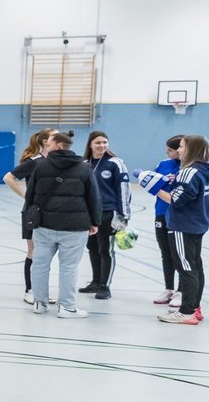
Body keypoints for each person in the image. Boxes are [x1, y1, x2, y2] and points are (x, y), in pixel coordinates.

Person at [25, 132, 101, 318]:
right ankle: (66, 307)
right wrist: (95, 221)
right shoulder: (84, 168)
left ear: (58, 145)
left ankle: (40, 303)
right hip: (74, 227)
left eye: (49, 143)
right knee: (69, 268)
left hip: (44, 225)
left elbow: (30, 195)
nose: (46, 146)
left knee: (40, 265)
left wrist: (30, 220)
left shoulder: (40, 166)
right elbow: (93, 196)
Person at [139, 135, 208, 325]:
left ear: (191, 149)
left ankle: (186, 311)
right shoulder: (204, 170)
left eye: (182, 147)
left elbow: (175, 199)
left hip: (182, 225)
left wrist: (151, 186)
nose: (178, 150)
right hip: (198, 224)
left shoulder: (188, 172)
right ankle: (194, 308)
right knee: (195, 266)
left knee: (186, 267)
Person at [4, 128, 58, 304]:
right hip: (33, 214)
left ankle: (41, 290)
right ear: (44, 142)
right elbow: (8, 178)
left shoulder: (58, 161)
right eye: (54, 137)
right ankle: (30, 290)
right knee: (34, 252)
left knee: (47, 254)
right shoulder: (34, 162)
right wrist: (25, 196)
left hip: (52, 213)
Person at [80, 131, 131, 301]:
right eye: (98, 143)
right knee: (92, 248)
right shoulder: (84, 163)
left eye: (104, 142)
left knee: (105, 249)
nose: (102, 146)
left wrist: (124, 215)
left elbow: (124, 190)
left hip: (109, 213)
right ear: (90, 145)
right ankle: (95, 282)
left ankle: (105, 286)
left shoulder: (115, 163)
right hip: (88, 215)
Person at [150, 135, 185, 307]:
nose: (167, 152)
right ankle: (169, 288)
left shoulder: (189, 167)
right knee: (165, 253)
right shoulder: (163, 164)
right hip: (161, 213)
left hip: (179, 216)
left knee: (178, 254)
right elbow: (152, 184)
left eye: (170, 150)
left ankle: (181, 290)